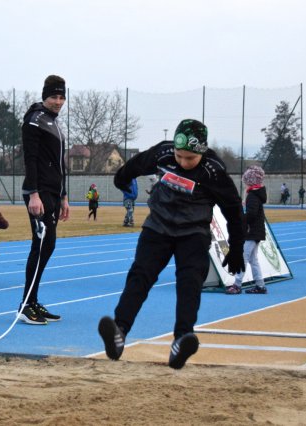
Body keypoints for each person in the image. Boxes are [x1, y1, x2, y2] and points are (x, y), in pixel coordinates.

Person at [98, 119, 245, 369]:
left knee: (190, 282)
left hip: (193, 232)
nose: (182, 162)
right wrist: (122, 178)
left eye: (190, 158)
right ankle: (119, 331)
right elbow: (137, 164)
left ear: (202, 152)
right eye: (179, 156)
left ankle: (181, 340)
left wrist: (237, 249)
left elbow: (233, 210)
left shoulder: (214, 171)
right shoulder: (164, 153)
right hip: (158, 227)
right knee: (140, 275)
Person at [18, 74, 70, 325]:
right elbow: (31, 159)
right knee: (40, 247)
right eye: (54, 97)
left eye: (61, 97)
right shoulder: (34, 120)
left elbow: (60, 163)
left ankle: (33, 300)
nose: (58, 101)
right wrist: (34, 194)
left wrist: (64, 196)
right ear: (44, 96)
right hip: (38, 193)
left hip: (53, 193)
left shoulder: (53, 122)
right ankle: (26, 305)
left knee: (48, 247)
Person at [225, 166, 267, 295]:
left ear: (250, 181)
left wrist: (240, 220)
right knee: (253, 260)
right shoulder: (256, 194)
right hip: (256, 231)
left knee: (243, 258)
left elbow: (251, 215)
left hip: (252, 232)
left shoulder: (252, 196)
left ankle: (237, 285)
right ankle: (260, 285)